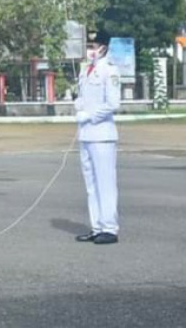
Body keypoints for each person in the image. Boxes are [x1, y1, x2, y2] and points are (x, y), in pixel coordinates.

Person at [74, 29, 121, 245]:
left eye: (92, 46)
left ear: (103, 47)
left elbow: (113, 104)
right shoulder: (86, 71)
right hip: (86, 135)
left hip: (102, 135)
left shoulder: (109, 71)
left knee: (105, 183)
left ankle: (109, 228)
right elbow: (84, 97)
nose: (89, 50)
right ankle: (97, 227)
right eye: (88, 46)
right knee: (91, 185)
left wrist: (90, 116)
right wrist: (78, 104)